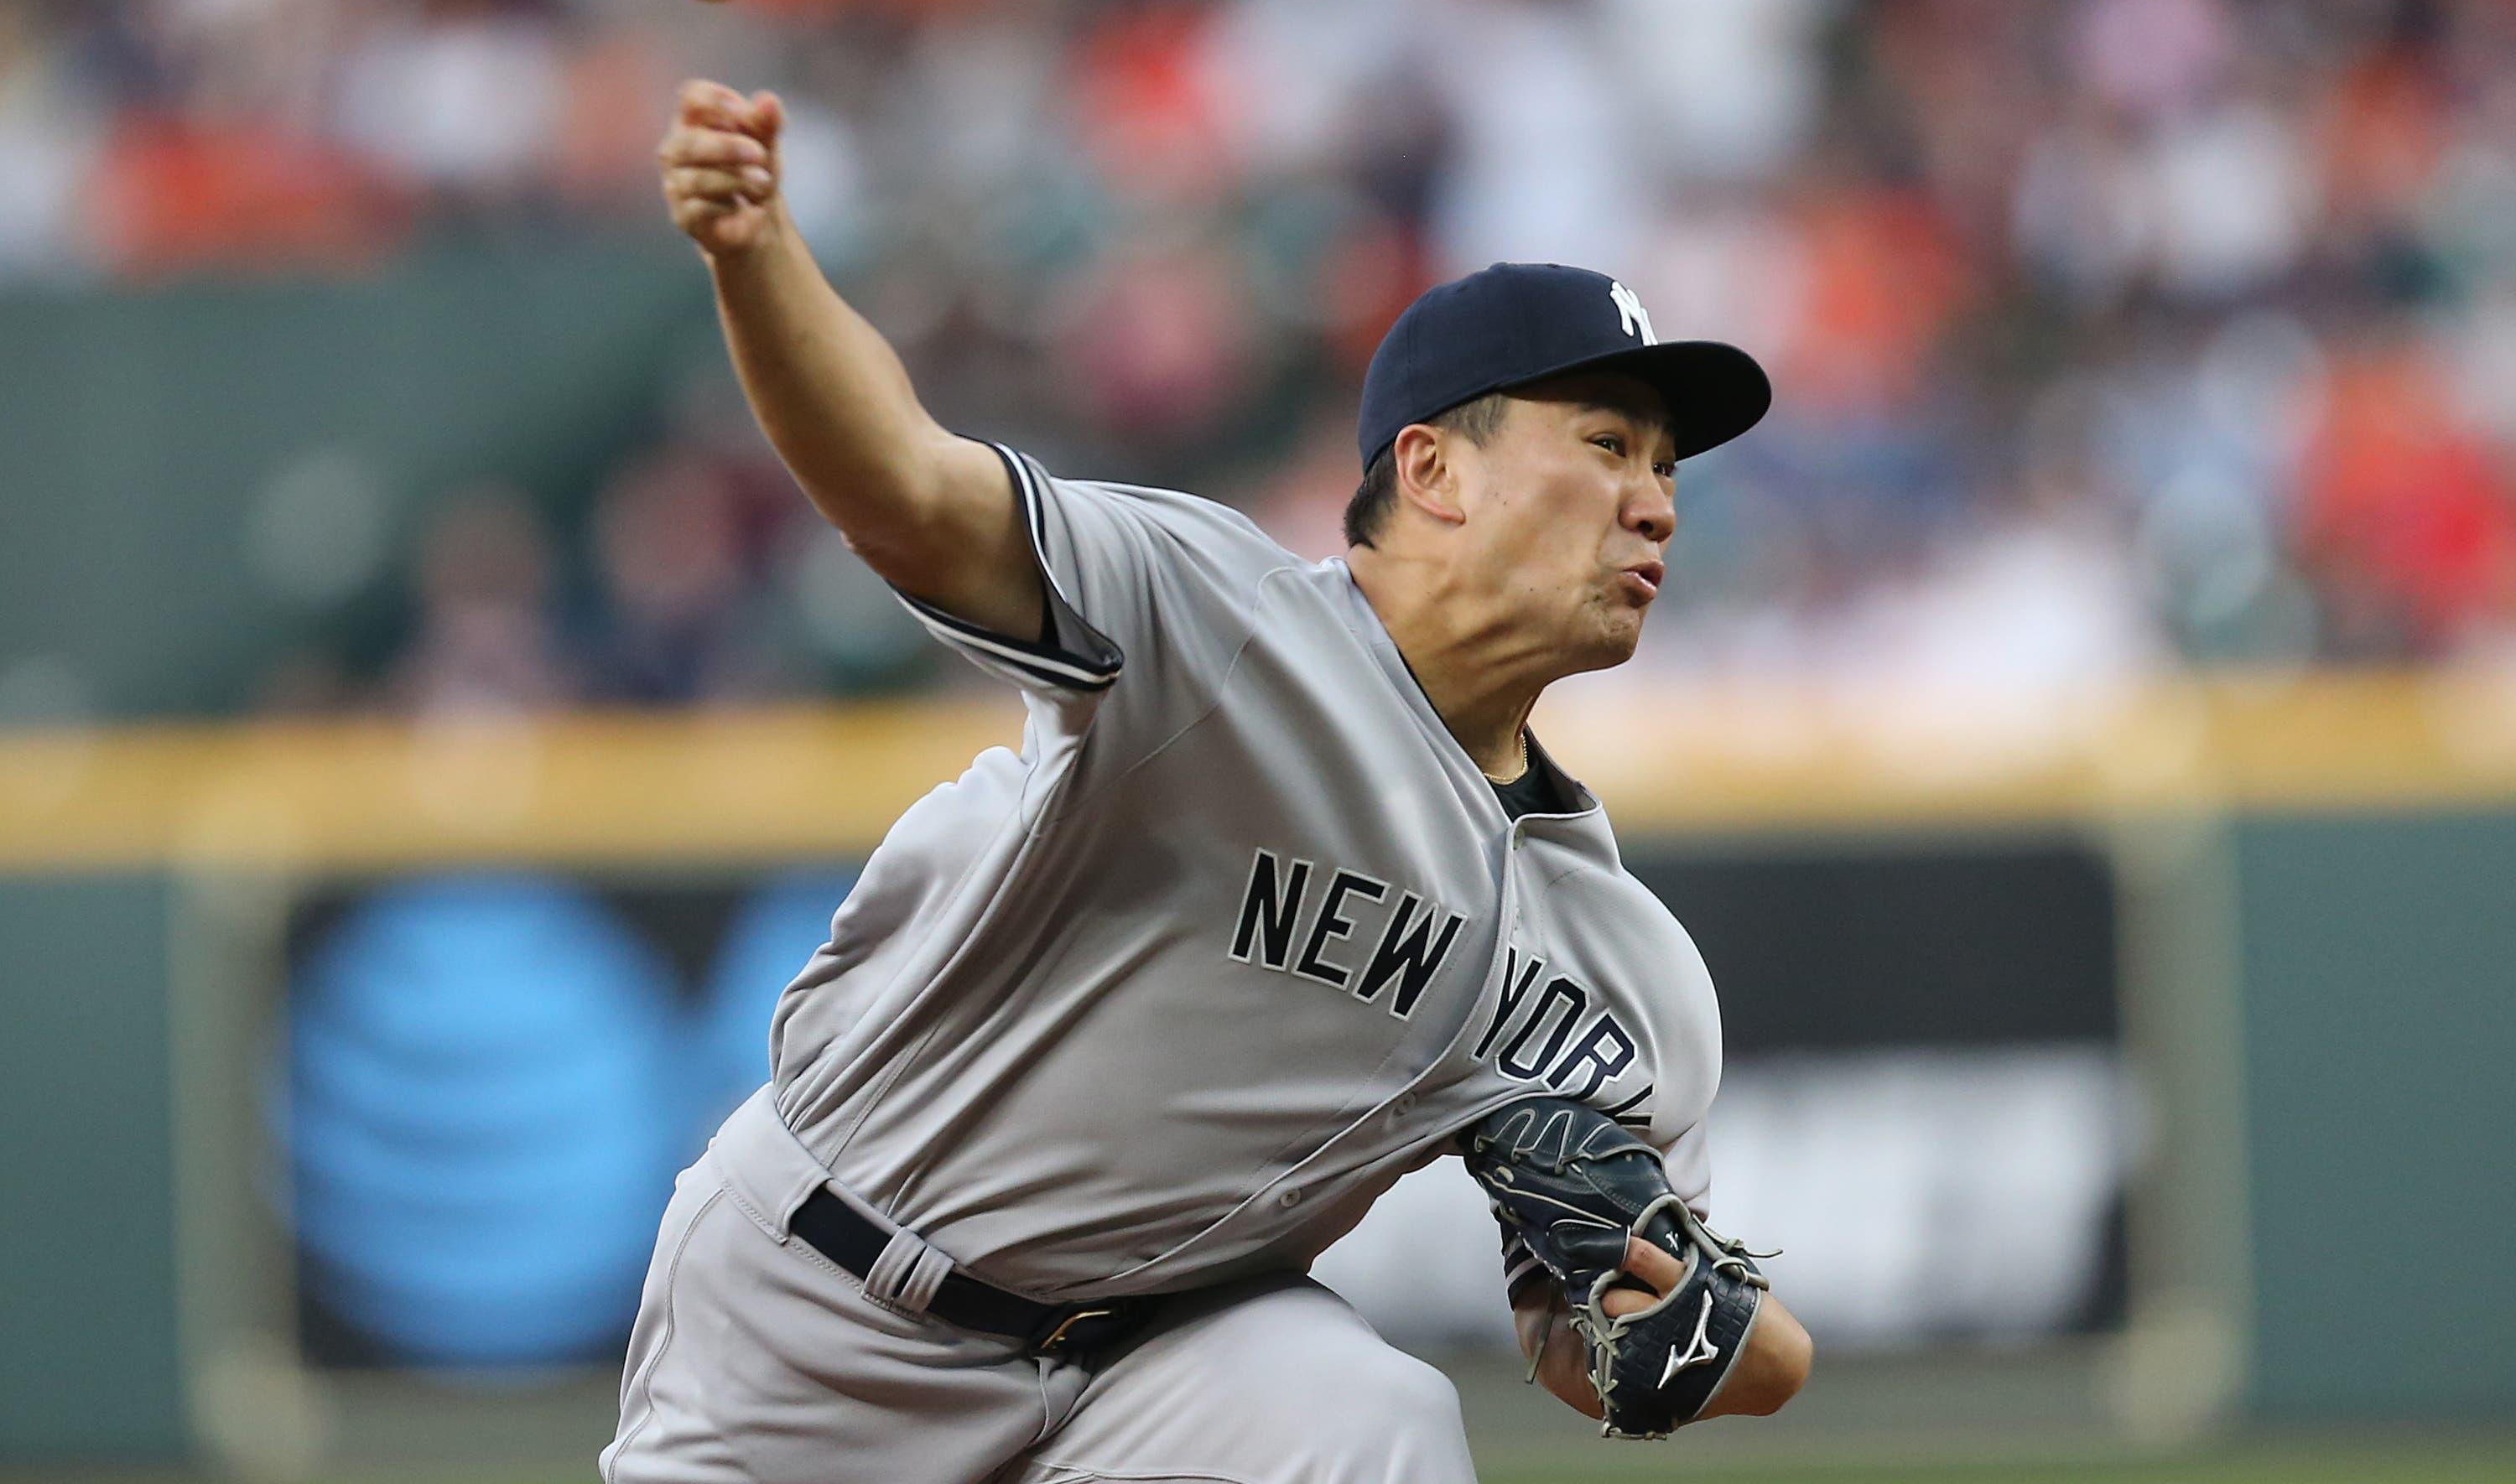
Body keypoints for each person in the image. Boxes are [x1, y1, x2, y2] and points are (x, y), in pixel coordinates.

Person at [605, 80, 1812, 1484]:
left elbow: (1602, 1336)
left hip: (1163, 1364)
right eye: (1607, 445)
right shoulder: (1213, 625)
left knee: (1374, 1422)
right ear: (1431, 471)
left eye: (1666, 466)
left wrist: (1698, 1345)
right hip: (826, 1312)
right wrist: (757, 259)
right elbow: (909, 490)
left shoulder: (1618, 963)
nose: (1657, 500)